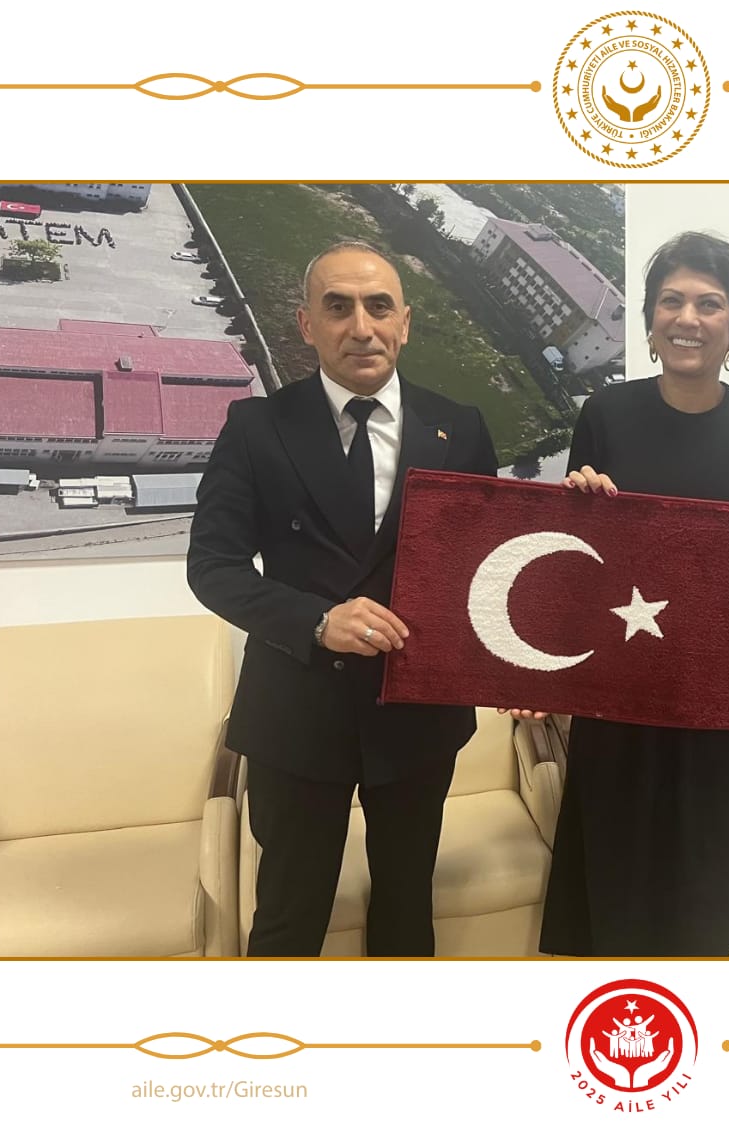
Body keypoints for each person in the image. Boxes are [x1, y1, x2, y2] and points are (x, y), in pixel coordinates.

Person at [187, 240, 498, 956]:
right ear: (306, 324)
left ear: (405, 323)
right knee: (288, 922)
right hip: (297, 713)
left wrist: (578, 508)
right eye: (338, 307)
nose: (362, 327)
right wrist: (317, 620)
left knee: (405, 913)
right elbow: (213, 566)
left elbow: (484, 563)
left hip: (416, 714)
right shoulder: (256, 427)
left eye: (379, 306)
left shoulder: (460, 427)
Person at [532, 231, 729, 956]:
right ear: (649, 318)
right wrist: (576, 497)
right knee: (623, 878)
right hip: (623, 688)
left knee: (723, 892)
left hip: (727, 697)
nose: (688, 318)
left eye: (710, 303)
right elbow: (577, 552)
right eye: (671, 301)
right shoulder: (606, 414)